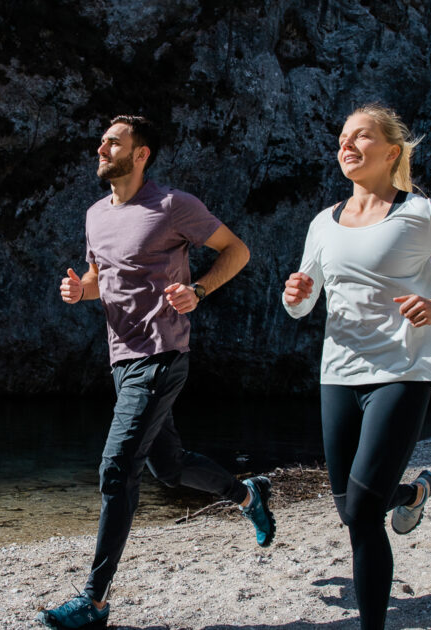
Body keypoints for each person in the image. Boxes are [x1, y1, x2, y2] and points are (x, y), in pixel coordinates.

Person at [37, 115, 274, 630]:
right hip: (121, 359)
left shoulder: (173, 206)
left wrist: (200, 291)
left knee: (116, 469)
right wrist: (83, 291)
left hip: (163, 356)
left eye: (113, 141)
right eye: (101, 140)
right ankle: (247, 493)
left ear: (140, 154)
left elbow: (237, 251)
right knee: (168, 468)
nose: (101, 146)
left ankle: (94, 601)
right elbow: (105, 277)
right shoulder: (95, 214)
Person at [281, 103, 431, 630]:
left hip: (405, 368)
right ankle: (415, 492)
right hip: (338, 373)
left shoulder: (422, 214)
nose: (348, 145)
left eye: (362, 137)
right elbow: (301, 304)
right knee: (350, 509)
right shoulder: (322, 222)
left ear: (391, 151)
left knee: (362, 513)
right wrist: (295, 294)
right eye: (342, 137)